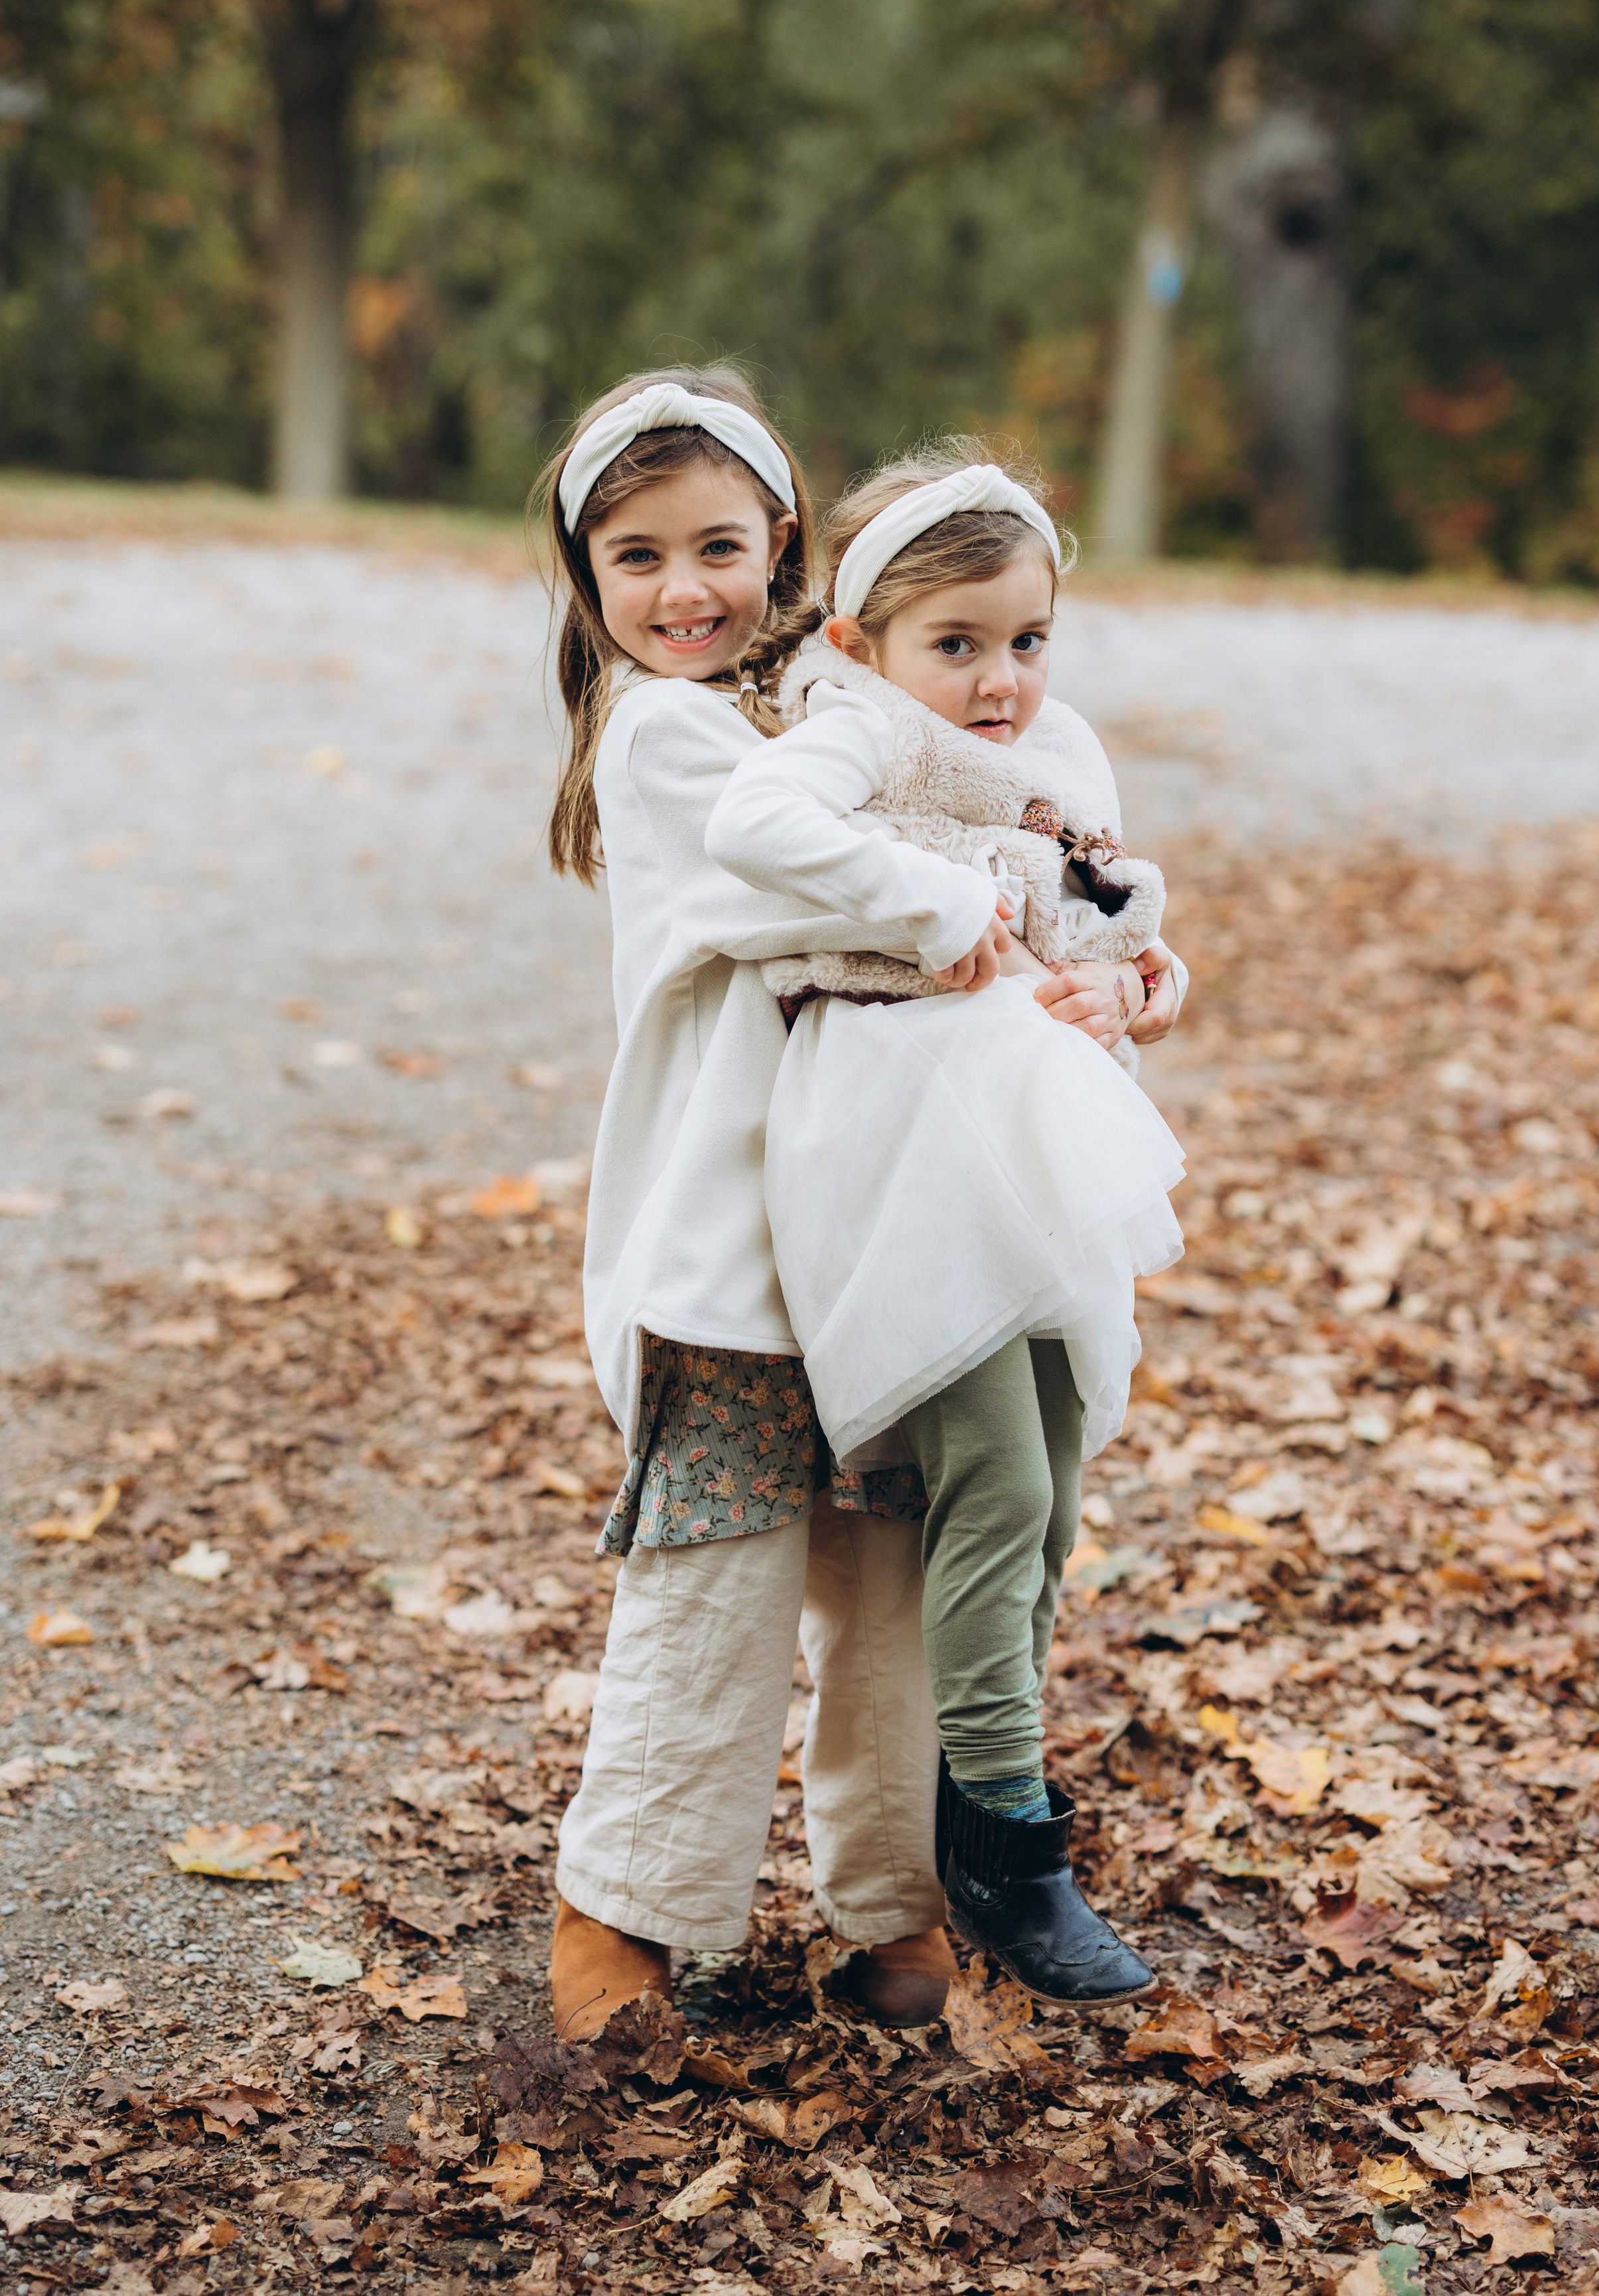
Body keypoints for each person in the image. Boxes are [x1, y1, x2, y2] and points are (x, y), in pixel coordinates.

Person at [541, 369, 1026, 2038]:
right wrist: (970, 906)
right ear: (589, 583)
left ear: (788, 545)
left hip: (881, 1230)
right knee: (720, 1579)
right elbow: (805, 900)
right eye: (636, 557)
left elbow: (1013, 823)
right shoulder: (666, 735)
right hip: (735, 1250)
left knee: (890, 1579)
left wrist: (1106, 941)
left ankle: (895, 1915)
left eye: (719, 547)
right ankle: (621, 1920)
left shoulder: (837, 707)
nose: (684, 590)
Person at [706, 445, 1188, 2003]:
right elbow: (756, 829)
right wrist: (931, 910)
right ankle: (1002, 1838)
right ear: (862, 643)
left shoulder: (1064, 755)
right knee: (990, 1482)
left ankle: (972, 1798)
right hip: (906, 1150)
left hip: (1039, 1148)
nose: (996, 683)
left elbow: (1112, 926)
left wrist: (1138, 983)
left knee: (1049, 1494)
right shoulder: (848, 735)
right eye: (956, 645)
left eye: (1025, 640)